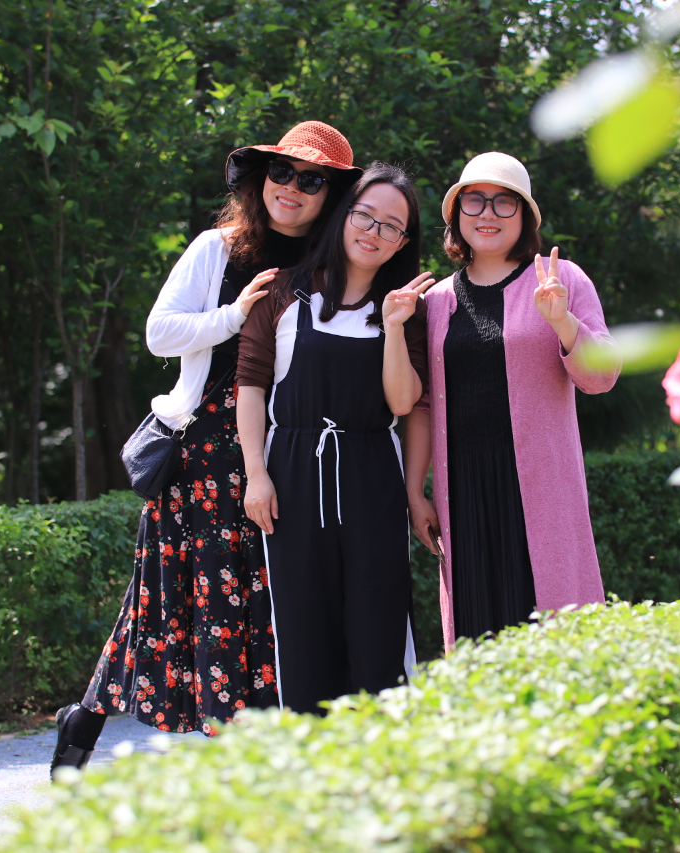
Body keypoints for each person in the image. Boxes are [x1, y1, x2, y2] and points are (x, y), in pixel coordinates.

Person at [49, 122, 362, 777]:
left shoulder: (333, 268)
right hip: (205, 455)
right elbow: (159, 333)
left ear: (332, 195)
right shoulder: (218, 249)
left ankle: (89, 720)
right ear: (261, 178)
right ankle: (234, 759)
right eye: (282, 172)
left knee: (254, 596)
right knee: (195, 597)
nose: (292, 188)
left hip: (288, 450)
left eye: (312, 180)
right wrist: (234, 314)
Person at [403, 151, 621, 652]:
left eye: (505, 202)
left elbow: (602, 377)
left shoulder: (562, 280)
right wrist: (416, 491)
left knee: (554, 632)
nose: (488, 213)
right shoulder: (436, 301)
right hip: (463, 490)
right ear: (456, 214)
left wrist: (563, 321)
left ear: (525, 216)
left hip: (541, 489)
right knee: (478, 633)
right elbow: (423, 406)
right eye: (475, 201)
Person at [236, 162, 432, 715]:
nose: (373, 232)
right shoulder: (282, 292)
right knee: (302, 624)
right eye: (364, 216)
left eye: (391, 226)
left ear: (402, 242)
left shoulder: (406, 309)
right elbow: (250, 386)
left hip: (372, 473)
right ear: (343, 215)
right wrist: (256, 475)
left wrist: (394, 326)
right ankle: (312, 754)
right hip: (293, 472)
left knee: (378, 621)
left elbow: (403, 402)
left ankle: (383, 749)